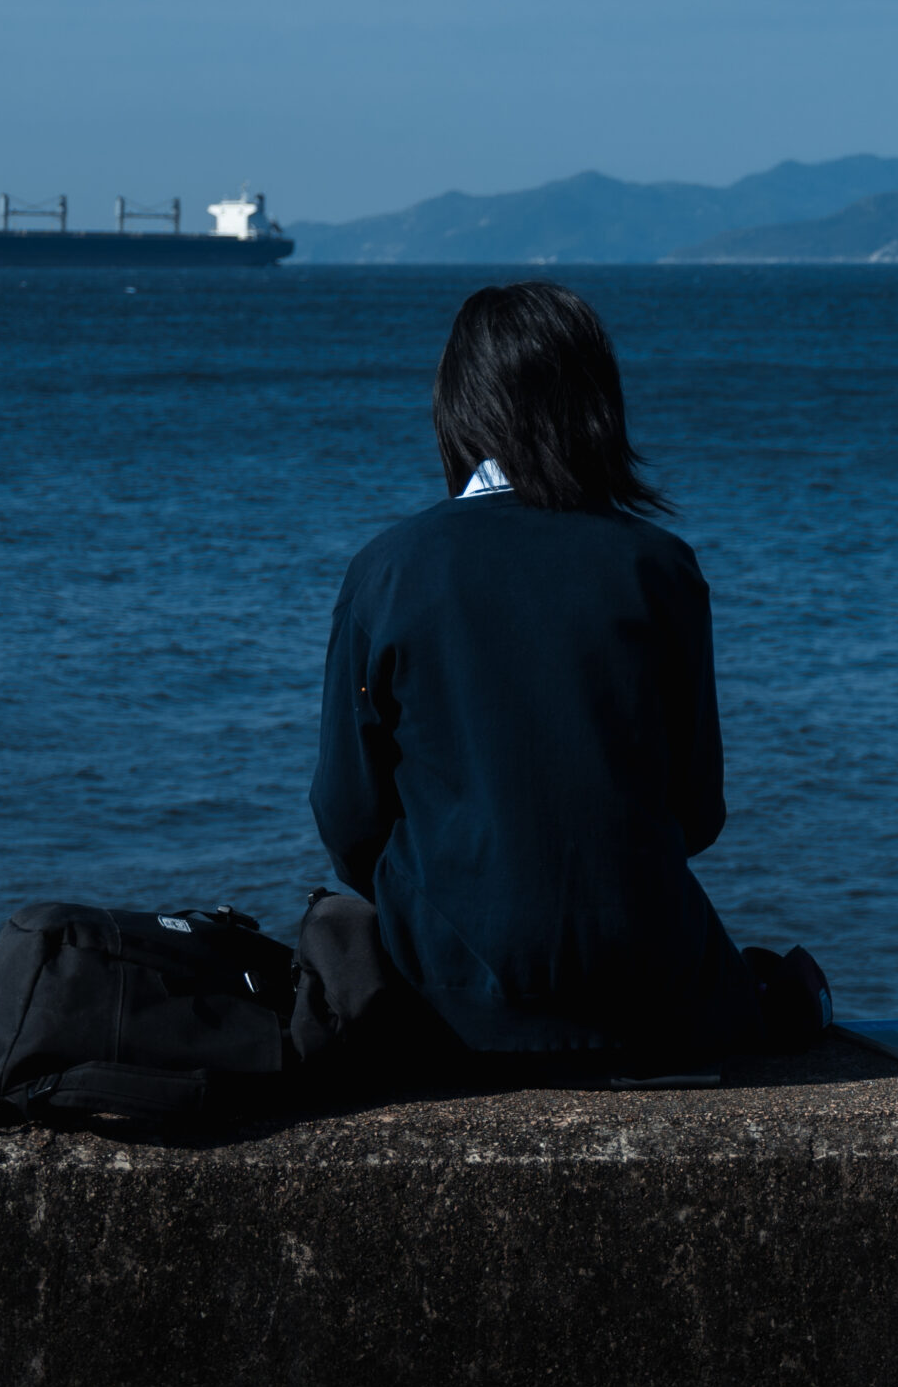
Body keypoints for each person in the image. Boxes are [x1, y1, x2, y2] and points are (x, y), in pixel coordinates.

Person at [310, 281, 823, 1065]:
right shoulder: (660, 570)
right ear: (597, 407)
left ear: (458, 407)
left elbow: (349, 818)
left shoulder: (389, 572)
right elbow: (697, 813)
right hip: (654, 1003)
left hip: (448, 1009)